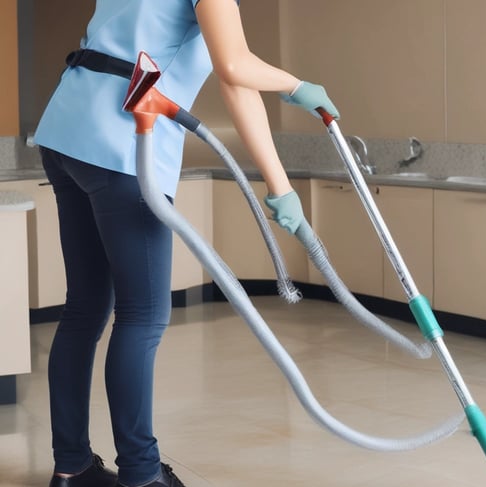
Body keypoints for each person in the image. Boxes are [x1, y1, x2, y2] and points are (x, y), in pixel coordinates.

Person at [34, 1, 339, 486]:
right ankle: (141, 473)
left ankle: (71, 468)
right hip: (124, 142)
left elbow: (234, 78)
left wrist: (281, 186)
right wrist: (295, 85)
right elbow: (236, 67)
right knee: (143, 315)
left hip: (66, 131)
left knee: (84, 309)